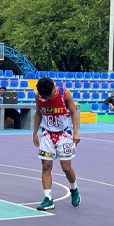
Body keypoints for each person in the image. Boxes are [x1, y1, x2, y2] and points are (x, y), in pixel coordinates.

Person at [32, 77, 81, 211]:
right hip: (47, 134)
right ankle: (48, 199)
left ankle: (74, 187)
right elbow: (38, 114)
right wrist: (35, 133)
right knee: (46, 166)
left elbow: (73, 112)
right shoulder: (39, 97)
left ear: (53, 88)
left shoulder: (64, 94)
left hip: (64, 134)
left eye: (47, 96)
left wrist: (76, 132)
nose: (46, 98)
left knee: (66, 168)